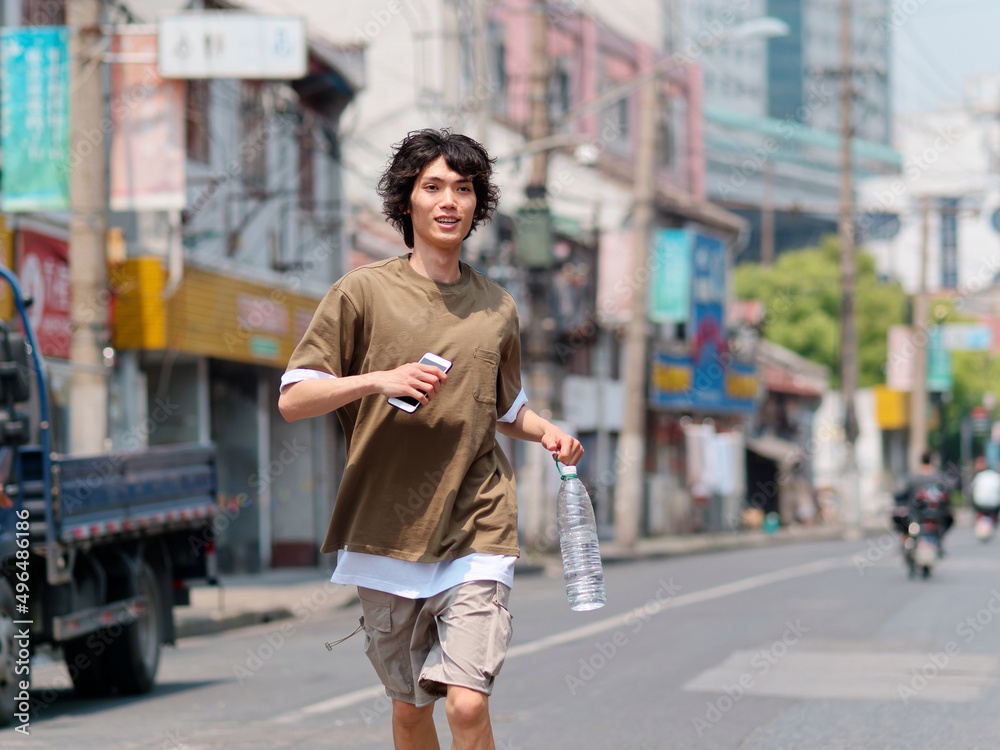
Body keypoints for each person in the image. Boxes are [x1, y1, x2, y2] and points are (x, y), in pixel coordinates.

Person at [278, 129, 583, 750]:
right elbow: (293, 398)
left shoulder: (497, 305)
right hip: (385, 528)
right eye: (433, 187)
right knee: (412, 712)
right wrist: (377, 380)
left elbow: (502, 404)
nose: (449, 201)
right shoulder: (361, 292)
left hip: (477, 523)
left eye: (463, 189)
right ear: (407, 201)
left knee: (467, 704)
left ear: (477, 205)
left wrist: (546, 429)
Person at [892, 450, 954, 548]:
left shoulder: (913, 477)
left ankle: (906, 539)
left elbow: (902, 494)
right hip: (936, 516)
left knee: (898, 517)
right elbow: (947, 494)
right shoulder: (939, 476)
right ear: (932, 461)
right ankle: (939, 539)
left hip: (915, 516)